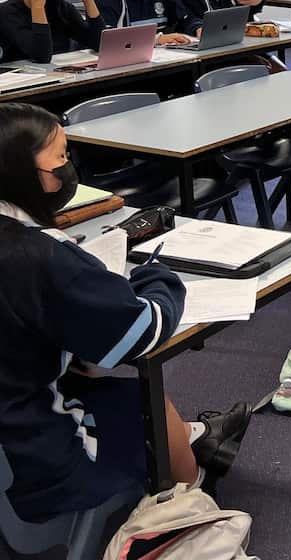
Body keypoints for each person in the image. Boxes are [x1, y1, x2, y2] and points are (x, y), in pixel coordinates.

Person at [0, 103, 250, 522]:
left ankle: (200, 436)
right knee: (142, 398)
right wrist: (158, 278)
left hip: (13, 407)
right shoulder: (39, 255)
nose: (69, 168)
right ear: (22, 174)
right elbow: (141, 331)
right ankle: (192, 513)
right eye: (60, 158)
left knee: (97, 374)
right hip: (35, 451)